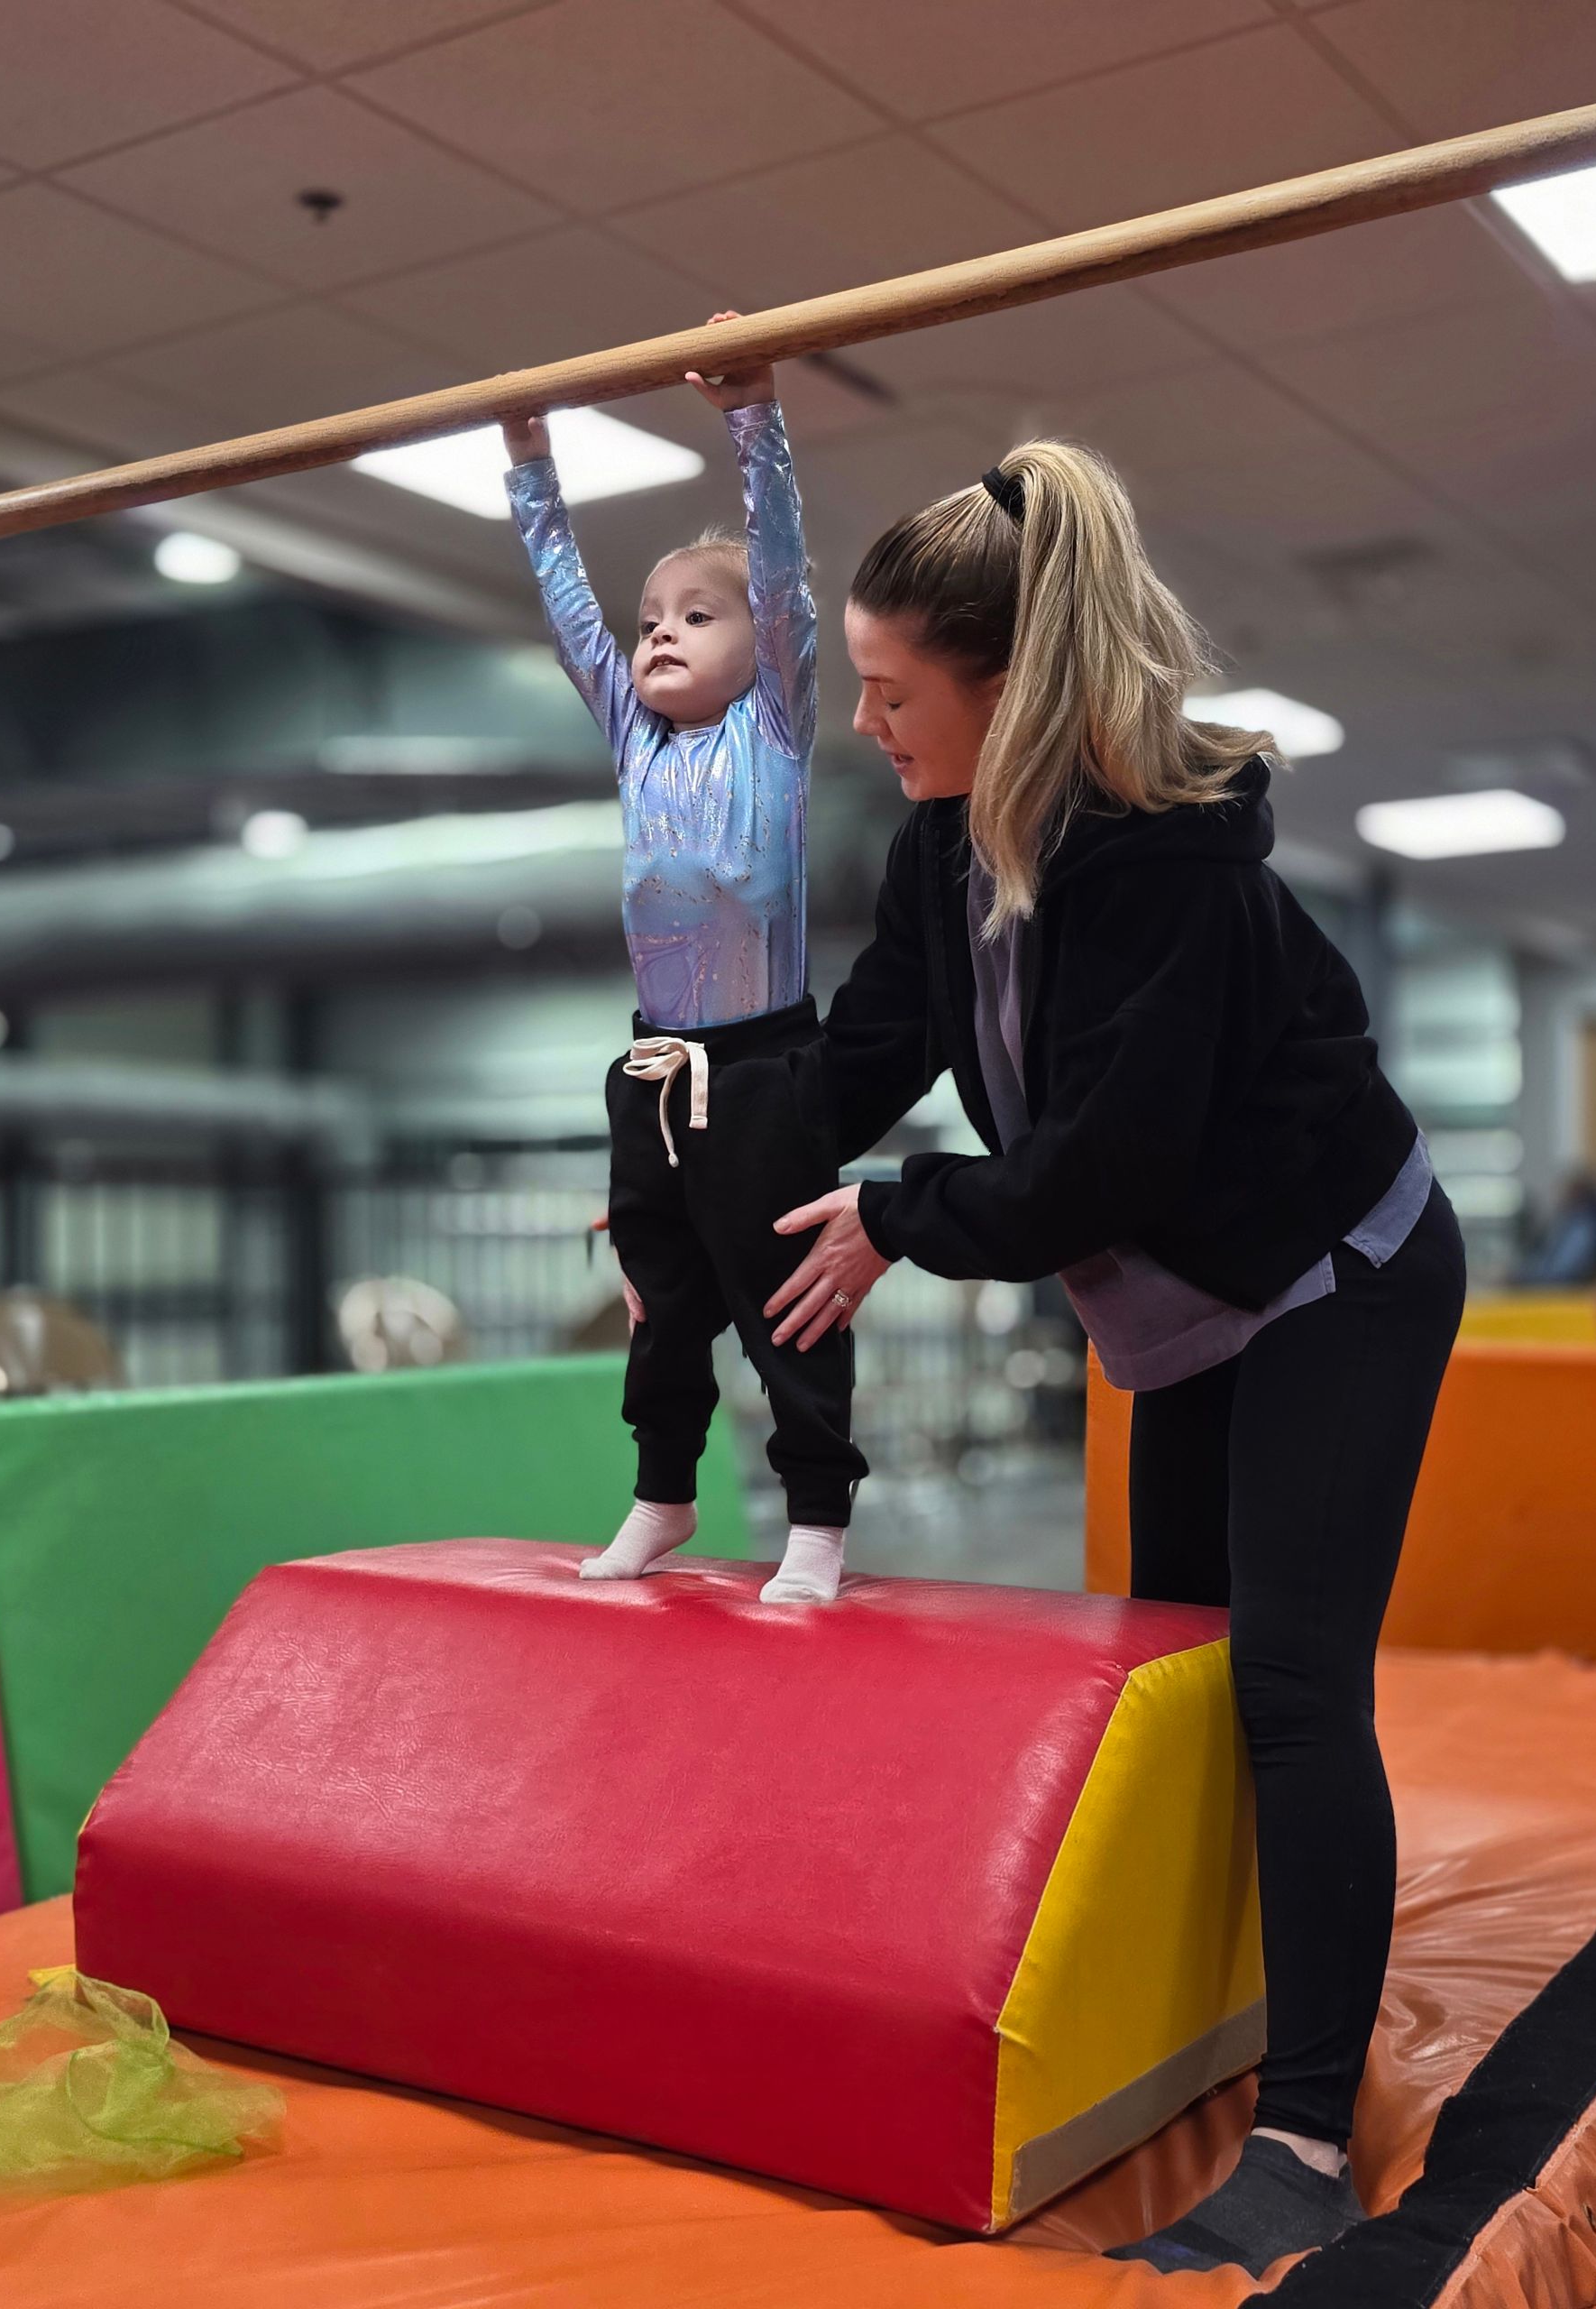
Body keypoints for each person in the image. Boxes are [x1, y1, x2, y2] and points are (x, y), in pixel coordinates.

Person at [761, 440, 1466, 2274]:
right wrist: (695, 1162)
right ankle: (1210, 2015)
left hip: (1335, 1270)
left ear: (1002, 688)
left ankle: (1306, 2120)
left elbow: (1110, 1158)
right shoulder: (943, 846)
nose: (866, 719)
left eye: (895, 691)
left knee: (1289, 1687)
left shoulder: (1160, 862)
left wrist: (896, 1217)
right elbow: (866, 1053)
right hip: (1185, 1291)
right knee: (1172, 1664)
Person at [503, 317, 864, 1605]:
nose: (657, 633)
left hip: (765, 1068)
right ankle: (664, 1495)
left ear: (755, 644)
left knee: (784, 1308)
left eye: (694, 616)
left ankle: (816, 1517)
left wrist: (753, 415)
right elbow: (564, 604)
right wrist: (527, 456)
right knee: (659, 1309)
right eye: (650, 617)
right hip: (652, 1066)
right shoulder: (632, 741)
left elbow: (778, 576)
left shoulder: (773, 726)